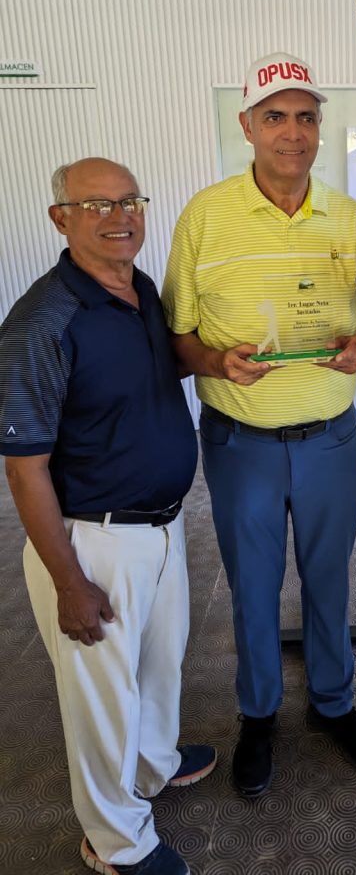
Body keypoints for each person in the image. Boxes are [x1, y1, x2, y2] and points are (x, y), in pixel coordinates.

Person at [161, 51, 356, 797]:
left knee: (329, 579)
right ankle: (258, 714)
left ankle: (333, 703)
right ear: (247, 127)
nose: (292, 132)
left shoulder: (351, 219)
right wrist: (214, 362)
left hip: (330, 440)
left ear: (319, 127)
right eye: (275, 117)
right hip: (242, 444)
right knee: (252, 586)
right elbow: (176, 337)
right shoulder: (205, 216)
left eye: (304, 117)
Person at [0, 158, 214, 875]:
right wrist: (70, 582)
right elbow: (24, 467)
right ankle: (117, 841)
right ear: (60, 218)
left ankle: (153, 764)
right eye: (96, 205)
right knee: (100, 699)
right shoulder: (42, 322)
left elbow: (151, 367)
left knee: (158, 663)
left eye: (129, 201)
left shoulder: (138, 288)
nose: (119, 217)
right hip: (94, 540)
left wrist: (220, 360)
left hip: (161, 524)